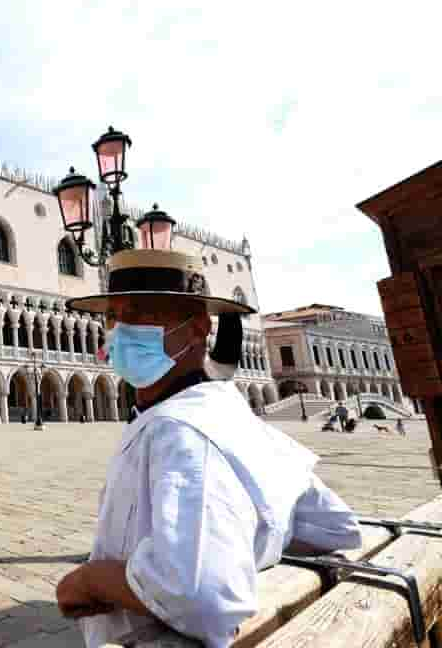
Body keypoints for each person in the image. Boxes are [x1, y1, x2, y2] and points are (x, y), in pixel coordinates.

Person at [55, 249, 361, 648]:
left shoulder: (179, 431)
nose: (121, 330)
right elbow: (332, 524)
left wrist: (91, 579)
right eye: (114, 316)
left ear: (199, 327)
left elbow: (202, 597)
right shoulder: (229, 414)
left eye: (143, 313)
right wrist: (242, 542)